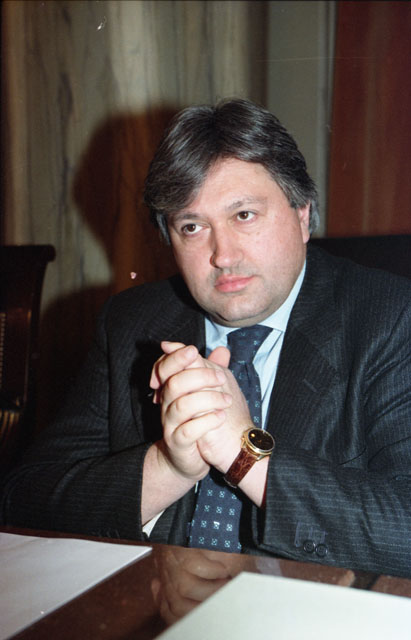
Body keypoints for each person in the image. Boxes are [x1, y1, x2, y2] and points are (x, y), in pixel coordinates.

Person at [1, 98, 411, 579]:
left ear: (302, 215)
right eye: (192, 227)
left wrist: (244, 453)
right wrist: (169, 467)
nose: (223, 255)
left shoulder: (388, 318)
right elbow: (23, 500)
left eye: (244, 215)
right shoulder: (131, 324)